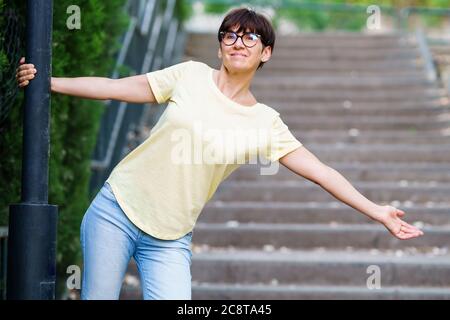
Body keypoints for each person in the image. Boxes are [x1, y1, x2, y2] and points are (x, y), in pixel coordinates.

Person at [16, 7, 424, 300]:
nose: (237, 42)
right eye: (229, 35)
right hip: (116, 211)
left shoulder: (265, 122)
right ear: (219, 48)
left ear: (265, 53)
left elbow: (321, 171)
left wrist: (376, 210)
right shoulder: (189, 76)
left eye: (250, 36)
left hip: (171, 239)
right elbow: (116, 86)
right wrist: (49, 81)